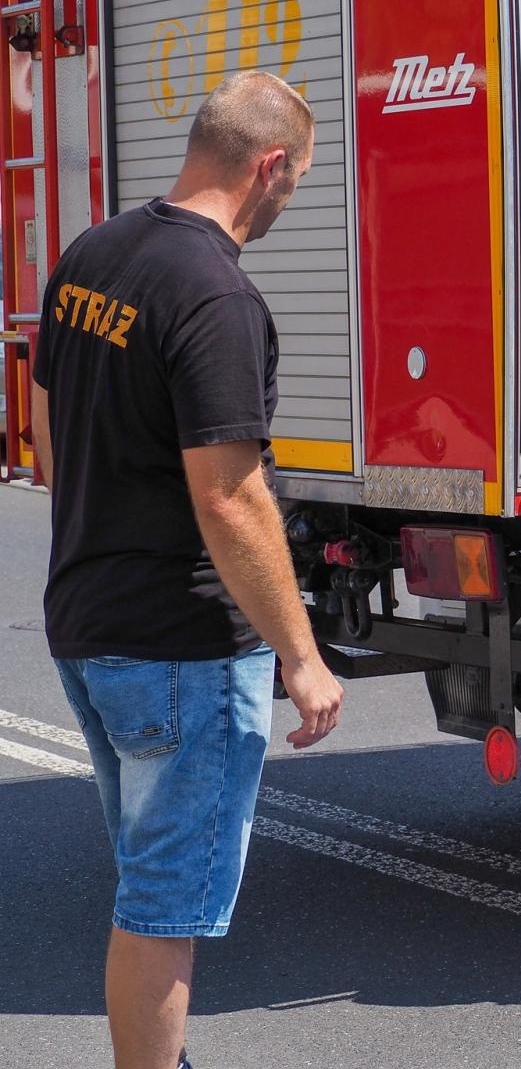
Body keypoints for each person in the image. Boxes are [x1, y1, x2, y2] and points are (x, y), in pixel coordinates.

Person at [29, 70, 344, 1069]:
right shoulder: (217, 294)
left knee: (147, 884)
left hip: (89, 623)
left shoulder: (94, 252)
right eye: (294, 183)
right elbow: (230, 496)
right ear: (270, 165)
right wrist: (302, 654)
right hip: (181, 646)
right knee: (165, 906)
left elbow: (42, 434)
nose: (288, 200)